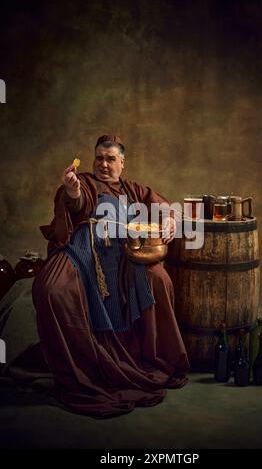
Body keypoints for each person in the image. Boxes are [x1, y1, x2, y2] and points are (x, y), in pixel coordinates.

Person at [32, 134, 190, 418]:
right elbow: (77, 203)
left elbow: (166, 206)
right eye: (99, 158)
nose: (103, 164)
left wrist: (169, 219)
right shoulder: (86, 182)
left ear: (122, 163)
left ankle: (152, 354)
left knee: (160, 280)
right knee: (52, 289)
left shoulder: (133, 190)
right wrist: (72, 192)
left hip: (123, 254)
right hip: (85, 248)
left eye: (110, 159)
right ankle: (82, 363)